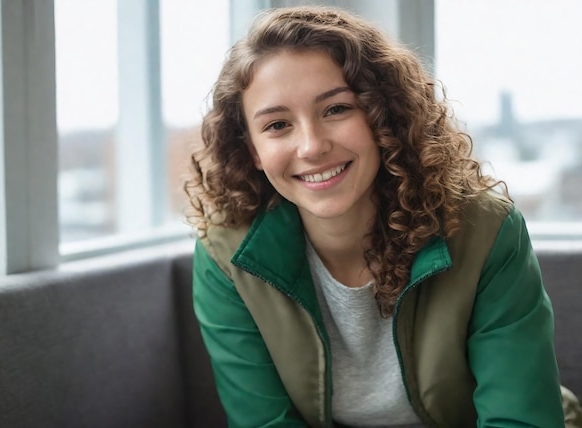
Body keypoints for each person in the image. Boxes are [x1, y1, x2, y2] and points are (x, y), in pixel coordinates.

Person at [185, 6, 581, 428]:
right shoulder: (226, 257)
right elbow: (265, 422)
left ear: (382, 115)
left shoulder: (485, 231)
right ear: (253, 152)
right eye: (278, 125)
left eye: (336, 109)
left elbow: (520, 420)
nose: (312, 146)